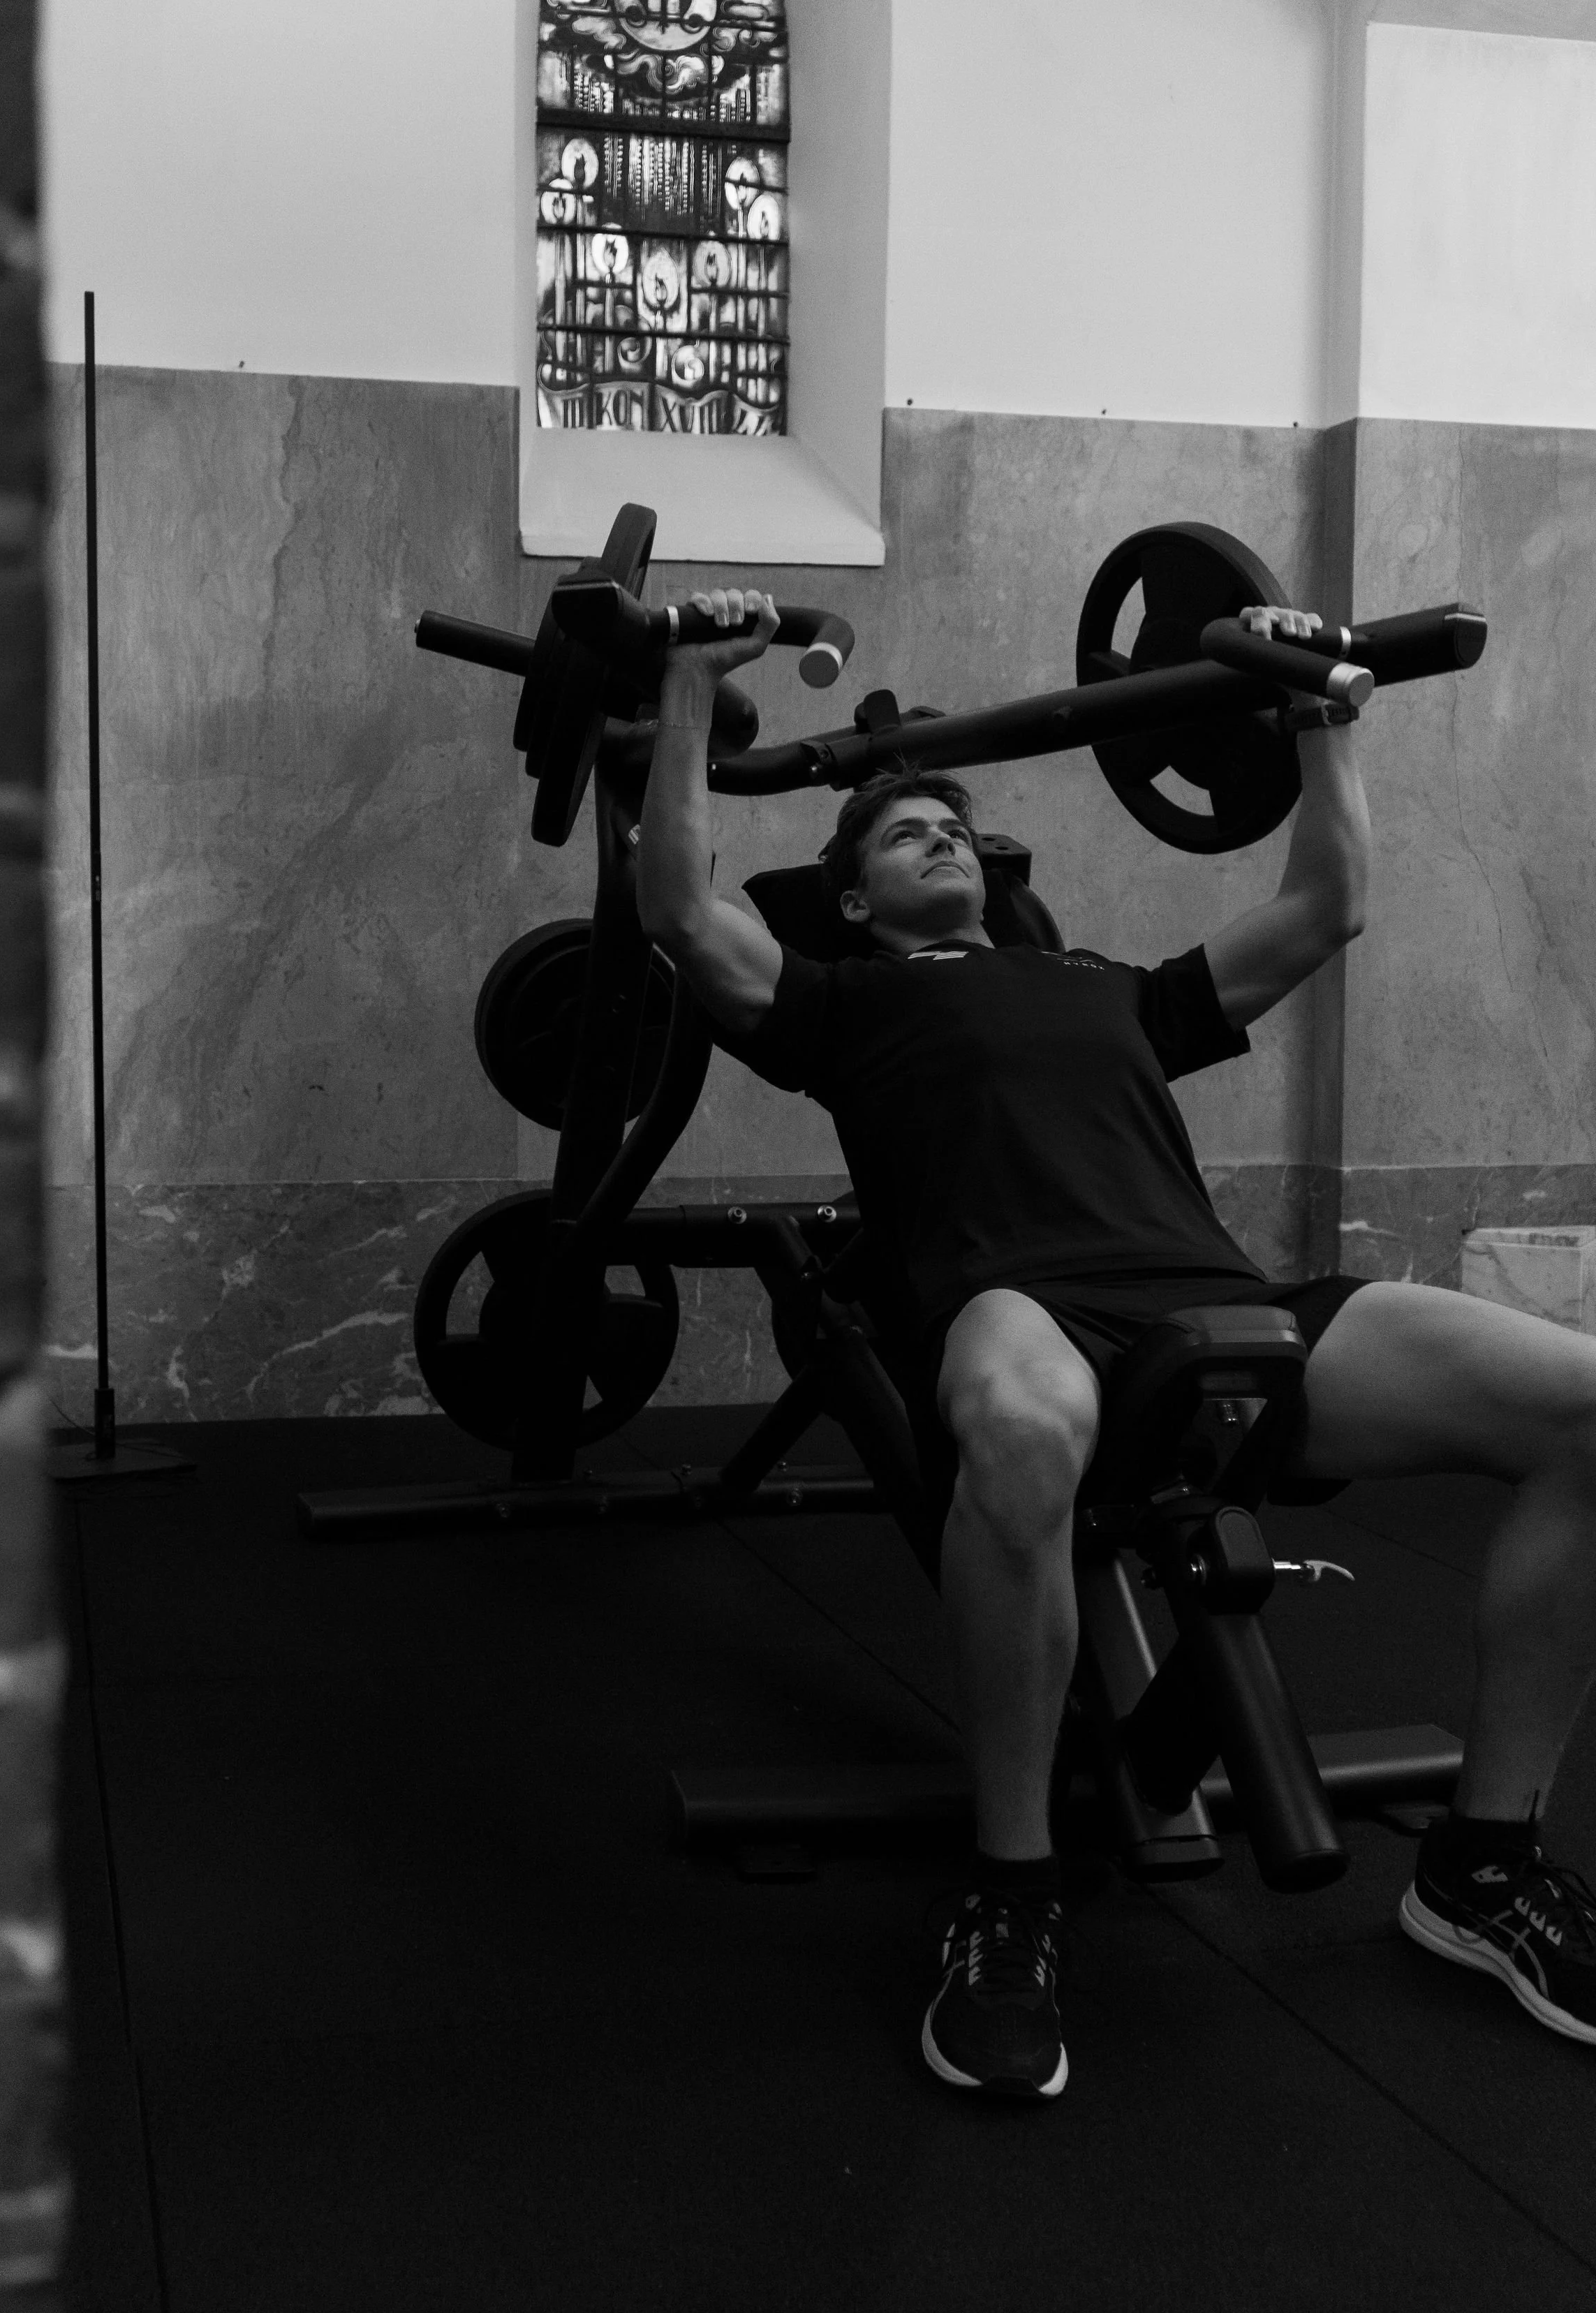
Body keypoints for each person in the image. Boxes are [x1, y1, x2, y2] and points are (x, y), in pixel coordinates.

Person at [635, 584, 1596, 2100]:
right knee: (1022, 1431)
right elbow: (684, 914)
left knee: (1587, 1409)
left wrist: (1322, 726)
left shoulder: (1112, 993)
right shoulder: (840, 1006)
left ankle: (1483, 1874)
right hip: (1021, 1303)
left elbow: (1323, 911)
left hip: (1222, 1303)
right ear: (861, 901)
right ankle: (1011, 1894)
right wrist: (689, 681)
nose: (942, 838)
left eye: (955, 827)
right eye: (905, 836)